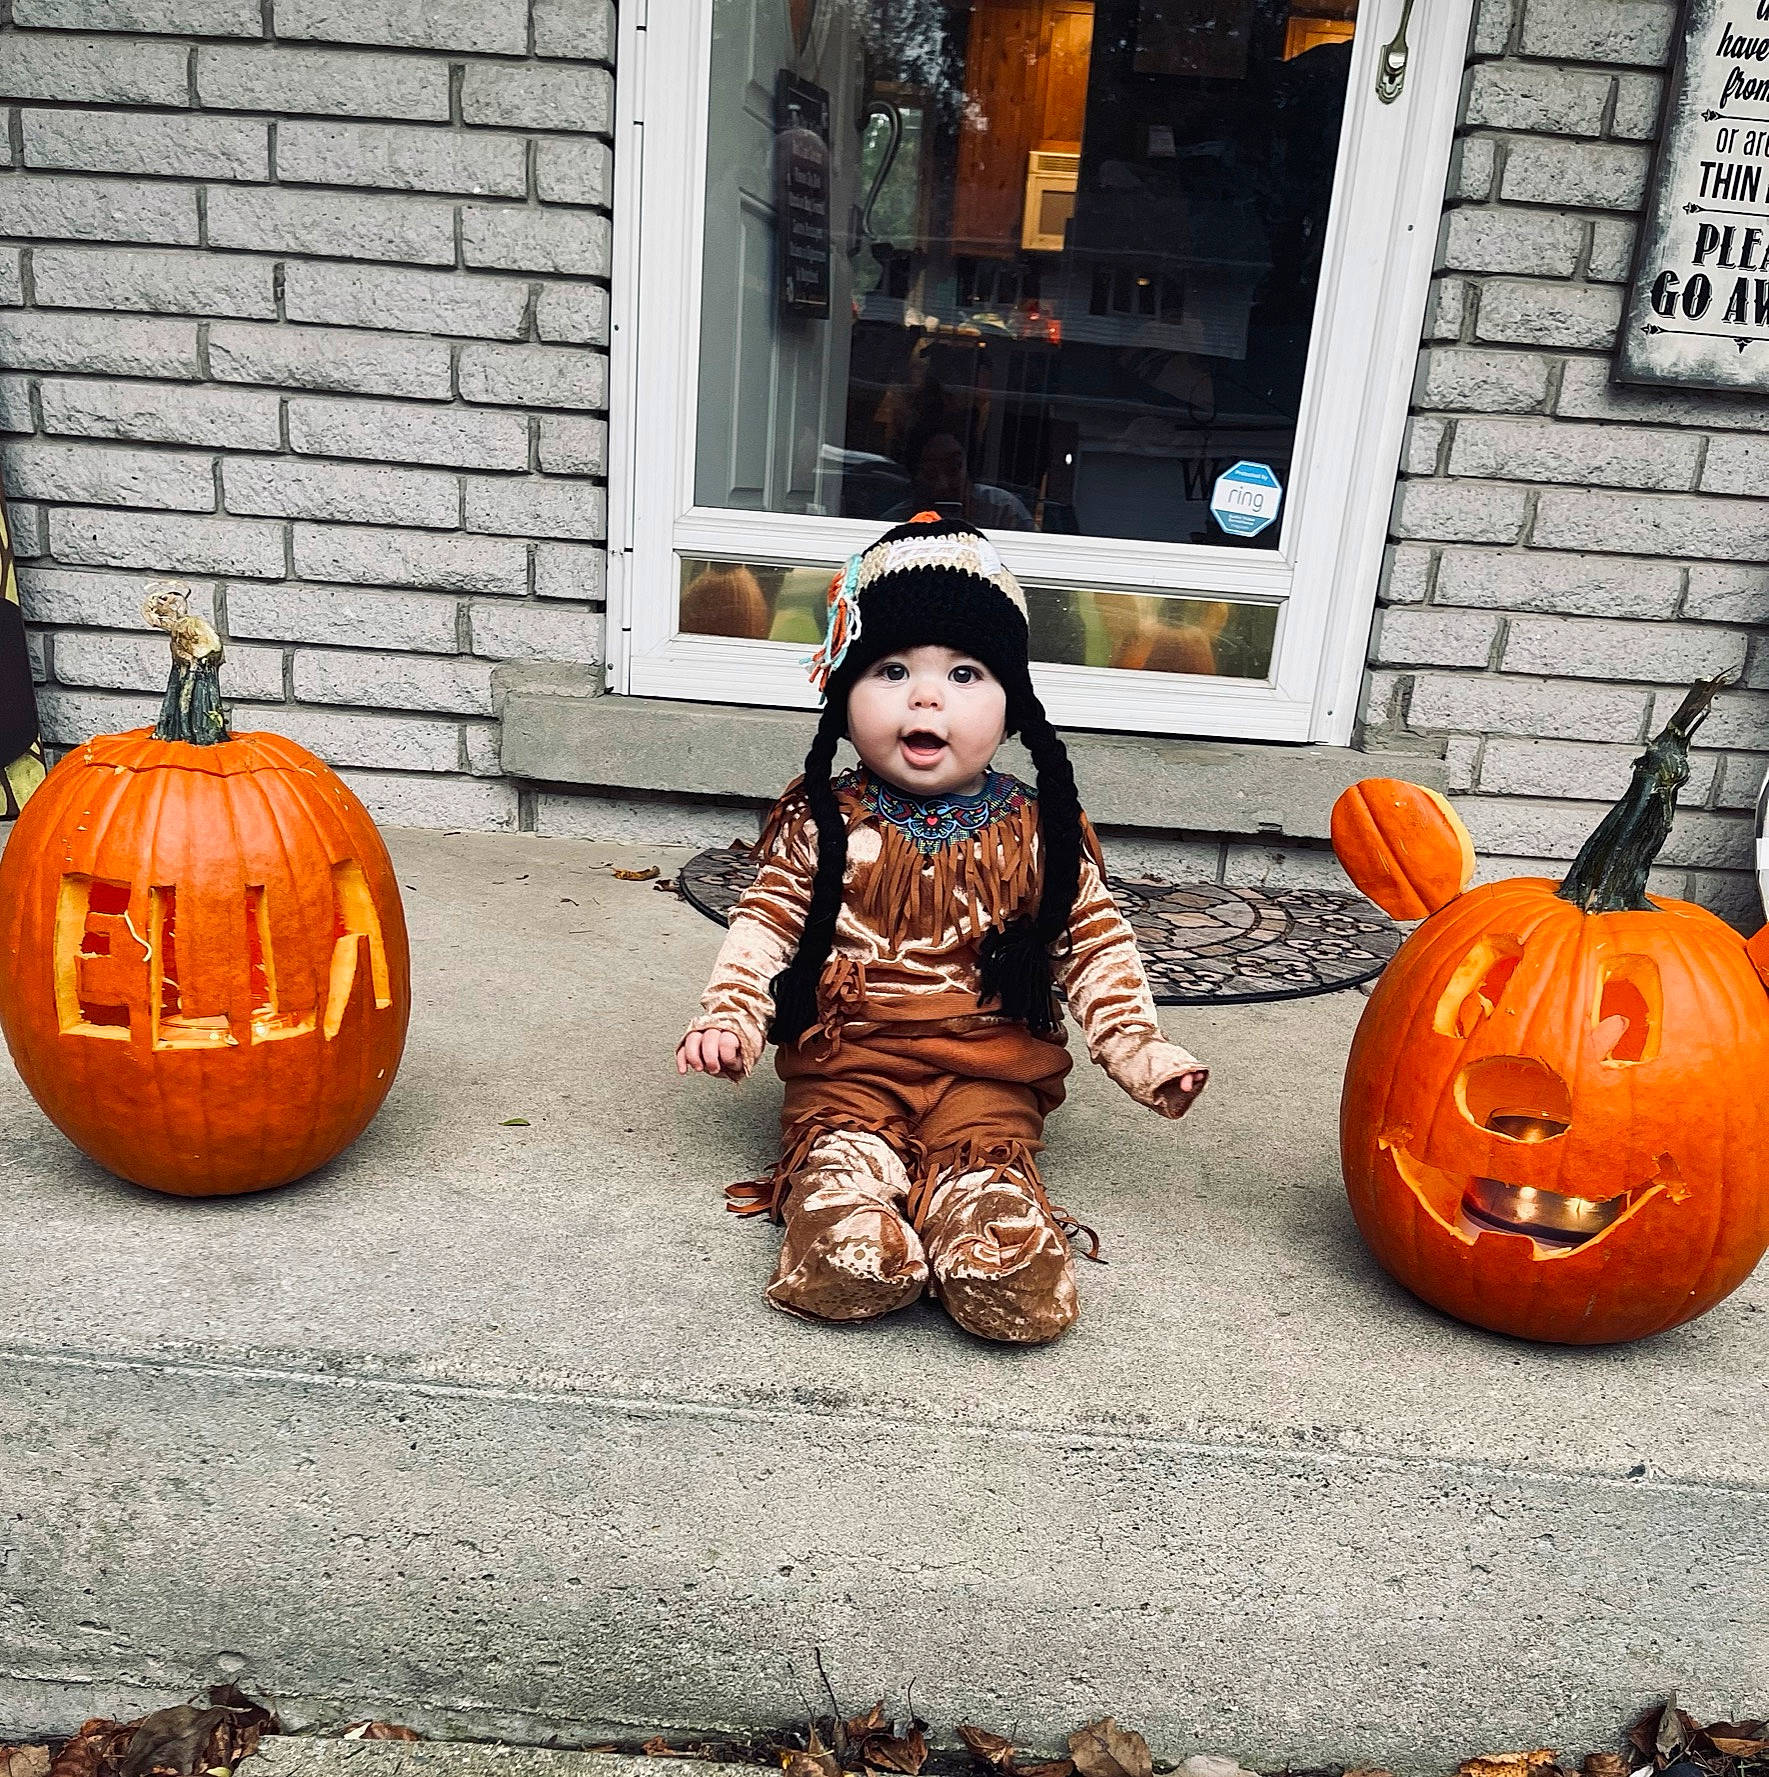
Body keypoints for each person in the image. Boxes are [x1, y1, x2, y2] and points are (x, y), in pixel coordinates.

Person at [677, 513, 1207, 1345]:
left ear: (1012, 705)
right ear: (843, 696)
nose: (926, 696)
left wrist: (1143, 1052)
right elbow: (767, 920)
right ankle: (845, 1235)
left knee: (987, 1175)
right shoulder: (822, 819)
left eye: (964, 673)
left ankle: (991, 1243)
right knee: (842, 1161)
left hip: (984, 1069)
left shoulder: (1040, 830)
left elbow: (1094, 945)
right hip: (851, 1060)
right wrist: (731, 1015)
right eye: (892, 670)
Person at [885, 429, 1034, 531]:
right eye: (930, 473)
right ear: (915, 477)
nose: (943, 484)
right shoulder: (895, 521)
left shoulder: (1004, 510)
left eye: (953, 469)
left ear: (969, 467)